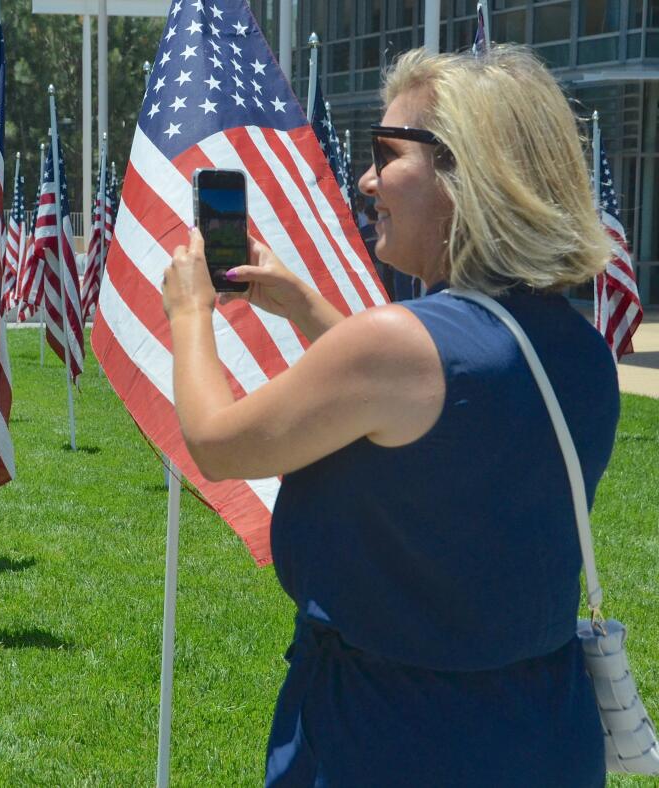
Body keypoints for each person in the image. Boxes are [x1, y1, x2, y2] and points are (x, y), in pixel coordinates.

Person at [162, 46, 616, 786]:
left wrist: (190, 312)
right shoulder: (582, 354)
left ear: (465, 169)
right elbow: (436, 404)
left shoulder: (397, 349)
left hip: (388, 738)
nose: (367, 179)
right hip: (546, 731)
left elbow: (217, 442)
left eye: (386, 151)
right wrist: (304, 303)